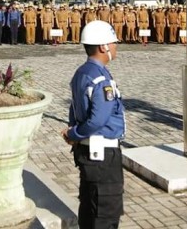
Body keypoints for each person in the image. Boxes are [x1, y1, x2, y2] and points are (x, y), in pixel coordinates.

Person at [62, 21, 125, 229]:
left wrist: (73, 132)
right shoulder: (100, 78)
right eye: (113, 43)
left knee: (89, 208)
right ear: (103, 47)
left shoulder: (82, 72)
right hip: (103, 156)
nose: (116, 47)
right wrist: (76, 133)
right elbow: (99, 119)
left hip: (88, 153)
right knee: (105, 212)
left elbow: (74, 108)